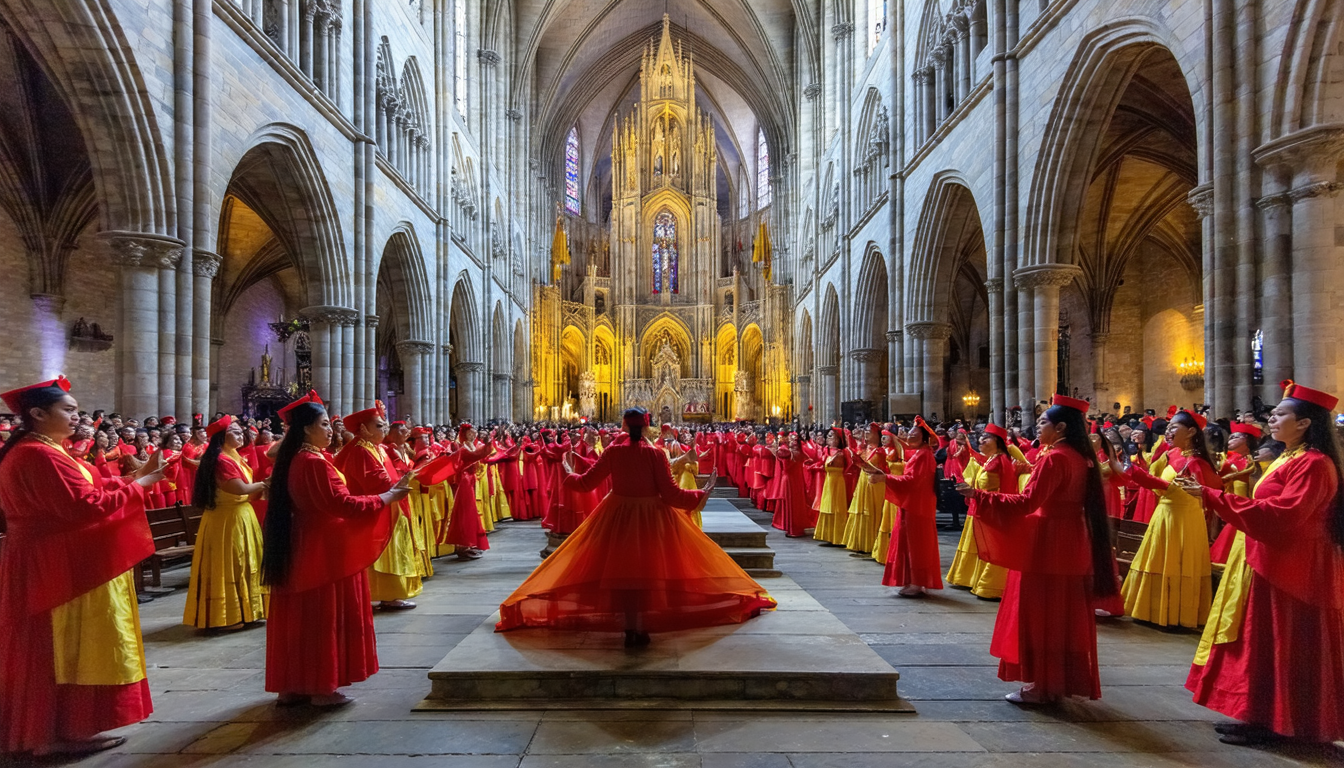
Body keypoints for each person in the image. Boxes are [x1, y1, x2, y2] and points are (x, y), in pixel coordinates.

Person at [497, 408, 776, 647]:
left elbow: (586, 483)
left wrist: (569, 473)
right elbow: (670, 494)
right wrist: (701, 493)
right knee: (649, 570)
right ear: (647, 427)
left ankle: (630, 626)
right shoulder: (655, 455)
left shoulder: (613, 452)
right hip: (652, 516)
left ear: (623, 426)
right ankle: (643, 626)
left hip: (617, 515)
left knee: (622, 571)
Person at [0, 376, 164, 756]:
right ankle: (50, 734)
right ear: (38, 414)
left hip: (53, 557)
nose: (78, 417)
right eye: (69, 410)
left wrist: (136, 476)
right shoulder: (37, 454)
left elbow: (88, 492)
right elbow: (84, 507)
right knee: (57, 646)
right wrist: (143, 485)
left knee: (63, 645)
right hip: (53, 562)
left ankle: (65, 728)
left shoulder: (42, 449)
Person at [1176, 381, 1344, 746]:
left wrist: (1212, 495)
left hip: (1293, 566)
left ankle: (1283, 723)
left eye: (1281, 413)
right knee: (1263, 644)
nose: (1272, 419)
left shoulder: (1315, 464)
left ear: (1304, 423)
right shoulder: (1290, 456)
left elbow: (1283, 515)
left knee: (1284, 644)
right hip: (1272, 559)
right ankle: (1259, 714)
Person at [956, 394, 1118, 704]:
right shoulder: (1079, 457)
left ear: (1060, 428)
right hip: (1072, 541)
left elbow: (1027, 502)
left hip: (1048, 542)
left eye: (1042, 423)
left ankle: (1043, 687)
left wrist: (978, 495)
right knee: (1062, 615)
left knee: (1041, 614)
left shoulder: (1055, 458)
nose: (1037, 428)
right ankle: (1056, 681)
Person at [261, 394, 412, 707]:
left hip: (298, 544)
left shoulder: (293, 460)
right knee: (322, 617)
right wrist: (387, 498)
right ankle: (322, 687)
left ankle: (292, 685)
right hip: (325, 549)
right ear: (305, 430)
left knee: (297, 618)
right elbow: (342, 504)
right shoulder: (315, 462)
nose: (332, 430)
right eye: (325, 424)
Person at [1118, 410, 1221, 629]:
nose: (1168, 430)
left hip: (1183, 519)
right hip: (1165, 515)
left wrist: (1139, 475)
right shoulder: (1174, 455)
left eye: (1174, 427)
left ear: (1191, 431)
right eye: (1169, 426)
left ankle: (1177, 615)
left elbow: (1197, 493)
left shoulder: (1197, 463)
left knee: (1177, 562)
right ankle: (1152, 612)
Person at [182, 415, 269, 630]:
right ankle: (227, 616)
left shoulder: (234, 457)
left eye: (241, 431)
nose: (241, 435)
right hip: (227, 520)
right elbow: (237, 488)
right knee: (230, 565)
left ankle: (248, 610)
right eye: (235, 431)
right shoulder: (221, 460)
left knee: (244, 563)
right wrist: (265, 484)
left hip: (240, 515)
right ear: (222, 436)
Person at [334, 403, 421, 611]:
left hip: (389, 505)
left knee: (392, 550)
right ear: (364, 429)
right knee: (380, 554)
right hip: (373, 508)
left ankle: (391, 593)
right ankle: (383, 594)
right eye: (380, 426)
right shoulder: (359, 451)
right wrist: (405, 479)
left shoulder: (377, 448)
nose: (385, 429)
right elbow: (375, 482)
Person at [862, 416, 940, 597]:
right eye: (909, 433)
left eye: (914, 433)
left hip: (917, 506)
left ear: (923, 437)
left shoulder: (923, 455)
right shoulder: (920, 454)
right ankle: (913, 580)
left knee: (916, 544)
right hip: (913, 503)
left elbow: (913, 481)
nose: (909, 436)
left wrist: (885, 478)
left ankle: (917, 581)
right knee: (910, 542)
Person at [945, 423, 1015, 600]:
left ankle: (991, 585)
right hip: (981, 506)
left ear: (998, 442)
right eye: (981, 437)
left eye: (987, 437)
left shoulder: (1002, 461)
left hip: (992, 509)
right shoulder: (991, 459)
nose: (982, 440)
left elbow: (1006, 489)